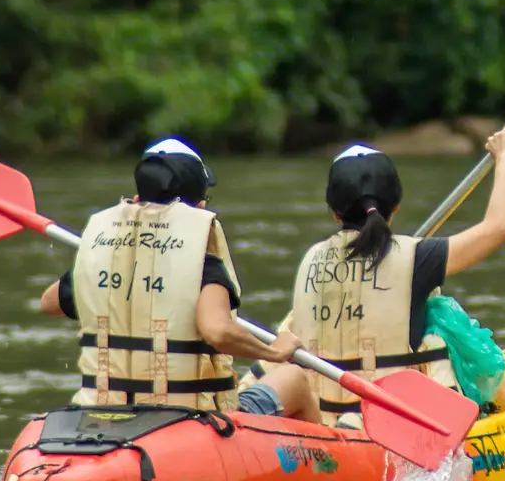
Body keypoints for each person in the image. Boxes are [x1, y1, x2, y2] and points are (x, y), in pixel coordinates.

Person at [38, 138, 318, 421]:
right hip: (187, 419)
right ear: (200, 207)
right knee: (294, 377)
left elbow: (49, 303)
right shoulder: (203, 266)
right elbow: (218, 332)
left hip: (105, 412)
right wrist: (274, 351)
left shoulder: (104, 260)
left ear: (136, 203)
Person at [288, 127, 505, 426]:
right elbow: (501, 227)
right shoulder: (416, 258)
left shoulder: (310, 260)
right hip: (395, 429)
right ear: (395, 207)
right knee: (439, 320)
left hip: (323, 421)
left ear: (335, 213)